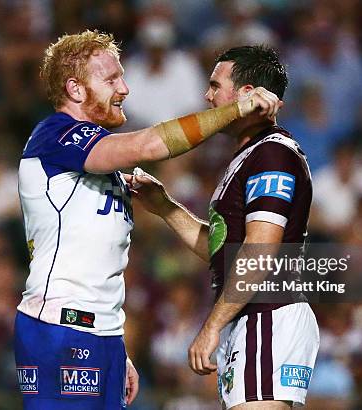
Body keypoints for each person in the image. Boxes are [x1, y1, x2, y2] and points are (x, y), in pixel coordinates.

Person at [14, 31, 282, 410]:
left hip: (100, 333)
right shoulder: (55, 136)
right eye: (111, 79)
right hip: (60, 329)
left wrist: (115, 345)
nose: (124, 88)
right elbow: (150, 145)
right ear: (75, 89)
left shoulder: (99, 168)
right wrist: (235, 109)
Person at [126, 46, 320, 409]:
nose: (207, 95)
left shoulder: (272, 155)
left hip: (267, 313)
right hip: (253, 315)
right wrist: (166, 208)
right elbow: (222, 251)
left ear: (246, 95)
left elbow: (259, 252)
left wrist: (211, 325)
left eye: (215, 85)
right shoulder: (249, 156)